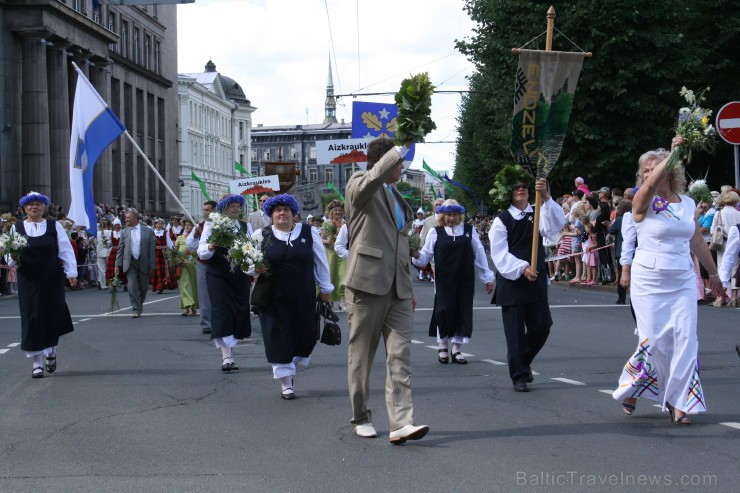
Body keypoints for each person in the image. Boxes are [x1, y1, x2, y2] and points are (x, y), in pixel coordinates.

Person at [612, 138, 724, 425]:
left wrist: (713, 275)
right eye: (645, 170)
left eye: (655, 169)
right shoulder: (641, 201)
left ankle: (680, 402)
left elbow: (697, 241)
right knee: (655, 341)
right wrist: (673, 152)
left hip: (682, 279)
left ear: (672, 172)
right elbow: (648, 189)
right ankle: (634, 386)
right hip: (649, 280)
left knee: (686, 340)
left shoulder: (687, 204)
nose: (649, 174)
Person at [344, 137, 429, 444]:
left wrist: (408, 286)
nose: (403, 166)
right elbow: (373, 177)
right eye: (399, 161)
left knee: (400, 356)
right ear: (385, 161)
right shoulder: (358, 184)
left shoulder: (396, 196)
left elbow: (400, 243)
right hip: (366, 284)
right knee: (362, 356)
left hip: (399, 289)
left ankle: (402, 423)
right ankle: (361, 416)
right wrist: (399, 146)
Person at [488, 164, 566, 392]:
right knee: (515, 335)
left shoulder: (538, 212)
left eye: (524, 186)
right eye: (516, 187)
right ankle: (519, 376)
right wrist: (522, 268)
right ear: (508, 192)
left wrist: (548, 197)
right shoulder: (501, 220)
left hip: (536, 280)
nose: (520, 190)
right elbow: (499, 254)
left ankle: (522, 361)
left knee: (542, 327)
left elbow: (555, 227)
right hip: (512, 282)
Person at [250, 194, 333, 399]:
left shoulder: (309, 232)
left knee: (304, 336)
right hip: (272, 296)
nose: (282, 213)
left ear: (294, 213)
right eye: (277, 210)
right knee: (277, 337)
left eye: (286, 209)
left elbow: (320, 263)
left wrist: (325, 289)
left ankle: (290, 366)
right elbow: (247, 267)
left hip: (302, 294)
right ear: (271, 214)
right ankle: (286, 382)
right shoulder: (261, 235)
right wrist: (254, 268)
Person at [412, 199, 494, 364]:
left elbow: (479, 254)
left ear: (459, 215)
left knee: (462, 310)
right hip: (444, 279)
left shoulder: (469, 231)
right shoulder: (436, 232)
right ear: (443, 215)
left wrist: (487, 277)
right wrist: (416, 256)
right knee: (443, 311)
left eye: (455, 214)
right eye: (448, 214)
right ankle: (442, 345)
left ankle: (457, 348)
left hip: (464, 279)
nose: (452, 218)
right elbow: (426, 255)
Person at [6, 192, 77, 378]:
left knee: (51, 316)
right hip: (28, 280)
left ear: (44, 207)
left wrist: (72, 272)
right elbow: (9, 254)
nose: (34, 207)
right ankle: (36, 362)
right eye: (30, 205)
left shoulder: (54, 226)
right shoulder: (17, 227)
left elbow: (65, 250)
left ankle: (51, 351)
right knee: (32, 318)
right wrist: (11, 257)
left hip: (51, 279)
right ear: (24, 208)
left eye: (38, 204)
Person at [197, 194, 252, 371]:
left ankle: (231, 350)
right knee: (222, 311)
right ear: (223, 208)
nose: (236, 209)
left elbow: (252, 249)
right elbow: (202, 252)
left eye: (238, 206)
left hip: (239, 274)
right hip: (218, 274)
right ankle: (226, 357)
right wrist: (212, 245)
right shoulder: (212, 225)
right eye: (231, 206)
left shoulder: (245, 226)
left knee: (238, 310)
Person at [115, 209, 156, 318]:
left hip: (144, 262)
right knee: (132, 286)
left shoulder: (148, 231)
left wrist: (152, 265)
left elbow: (152, 250)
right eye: (125, 218)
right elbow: (120, 249)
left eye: (128, 218)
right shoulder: (124, 232)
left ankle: (139, 304)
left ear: (135, 218)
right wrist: (117, 265)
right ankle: (136, 309)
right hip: (130, 262)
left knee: (143, 287)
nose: (126, 219)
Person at [186, 200, 217, 334]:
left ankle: (221, 320)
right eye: (204, 209)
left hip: (218, 263)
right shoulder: (199, 226)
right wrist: (195, 234)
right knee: (204, 295)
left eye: (208, 210)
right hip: (203, 264)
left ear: (215, 211)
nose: (205, 212)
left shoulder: (220, 225)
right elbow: (190, 246)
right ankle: (206, 323)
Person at [709, 190, 740, 306]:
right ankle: (735, 297)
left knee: (723, 266)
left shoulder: (719, 213)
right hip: (738, 241)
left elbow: (713, 230)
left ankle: (721, 296)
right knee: (736, 269)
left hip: (723, 243)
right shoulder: (738, 213)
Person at [321, 200, 346, 311]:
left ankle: (343, 300)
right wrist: (329, 241)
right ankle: (329, 302)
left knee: (343, 275)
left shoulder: (345, 223)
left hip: (341, 253)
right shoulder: (327, 224)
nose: (337, 212)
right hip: (330, 253)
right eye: (335, 210)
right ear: (331, 212)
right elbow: (321, 239)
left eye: (339, 210)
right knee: (331, 275)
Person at [609, 200, 632, 303]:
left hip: (621, 251)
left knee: (621, 275)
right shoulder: (633, 218)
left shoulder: (619, 220)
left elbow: (611, 230)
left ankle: (621, 297)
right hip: (633, 251)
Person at [175, 219, 198, 316]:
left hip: (193, 264)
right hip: (183, 264)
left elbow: (199, 251)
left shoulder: (196, 238)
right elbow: (175, 251)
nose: (187, 227)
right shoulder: (180, 238)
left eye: (189, 225)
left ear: (193, 227)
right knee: (184, 285)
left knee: (192, 285)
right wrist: (177, 260)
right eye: (186, 225)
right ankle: (186, 307)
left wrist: (191, 252)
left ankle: (193, 307)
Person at [150, 218, 170, 294]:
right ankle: (157, 286)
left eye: (161, 224)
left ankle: (161, 285)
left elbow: (169, 242)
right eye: (158, 224)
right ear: (155, 225)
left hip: (163, 253)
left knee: (163, 269)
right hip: (155, 253)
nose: (160, 225)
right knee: (156, 269)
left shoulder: (165, 232)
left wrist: (172, 250)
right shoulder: (152, 233)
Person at [96, 219, 112, 290]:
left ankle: (102, 284)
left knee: (101, 268)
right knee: (108, 267)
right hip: (107, 250)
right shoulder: (110, 232)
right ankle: (108, 282)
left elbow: (95, 242)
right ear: (106, 225)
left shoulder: (97, 233)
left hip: (100, 251)